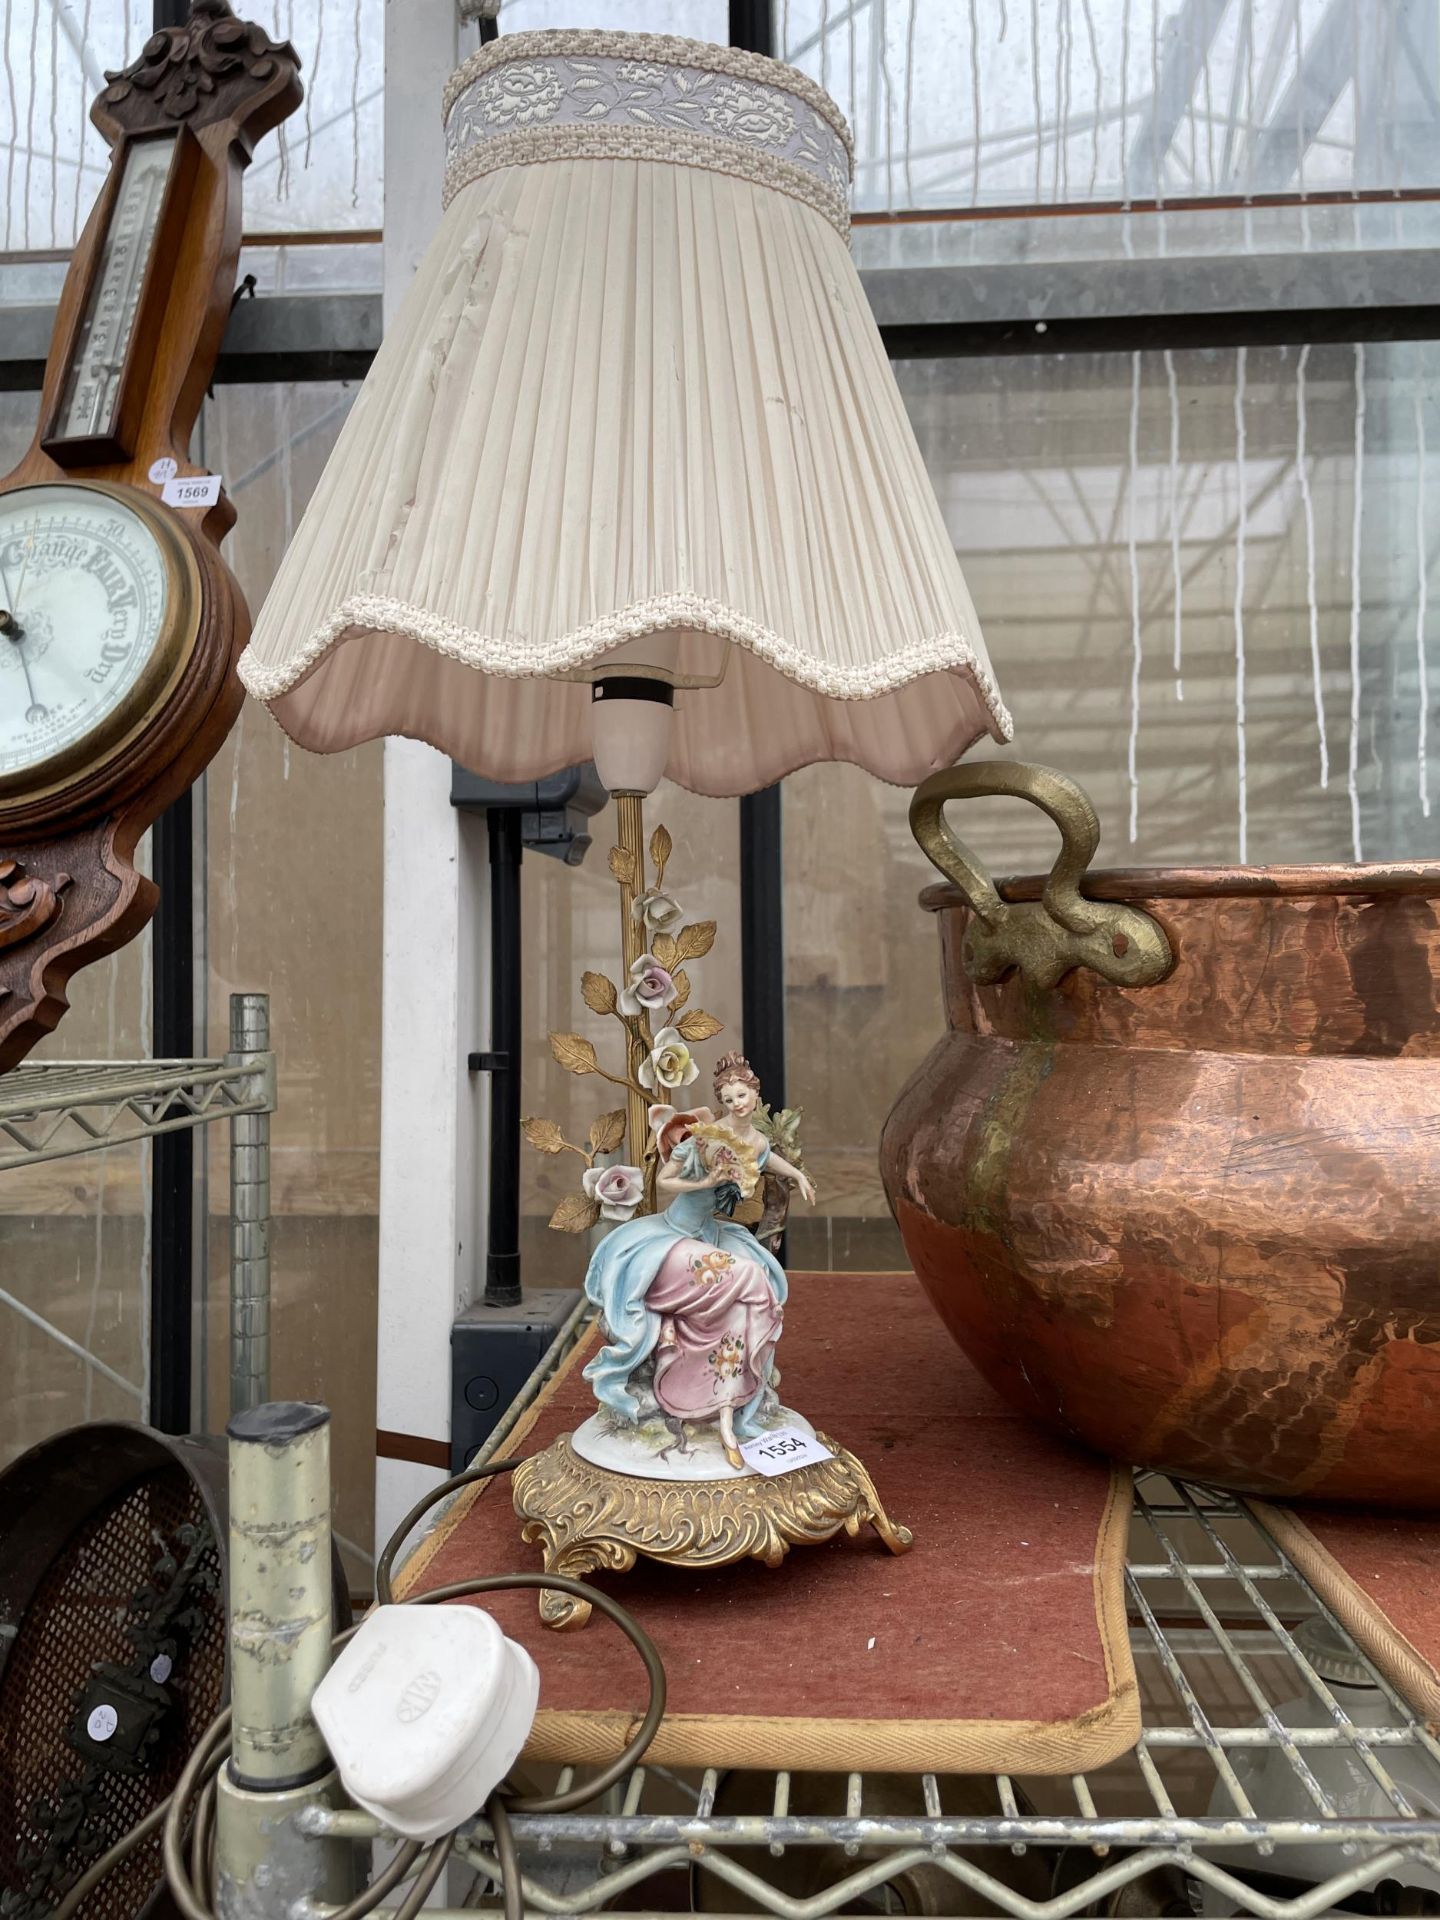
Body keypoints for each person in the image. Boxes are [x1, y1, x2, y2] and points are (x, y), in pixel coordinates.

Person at [583, 1055, 814, 1469]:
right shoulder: (706, 1138)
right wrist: (706, 1181)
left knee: (758, 1284)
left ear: (755, 1093)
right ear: (721, 1102)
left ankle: (729, 1407)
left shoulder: (755, 1141)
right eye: (728, 1098)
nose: (737, 1103)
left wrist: (795, 1175)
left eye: (743, 1095)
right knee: (744, 1275)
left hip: (710, 1237)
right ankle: (692, 1395)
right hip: (673, 1241)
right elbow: (663, 1180)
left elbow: (765, 1159)